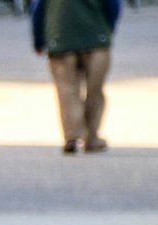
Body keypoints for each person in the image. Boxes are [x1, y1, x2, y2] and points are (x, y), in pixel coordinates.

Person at [32, 0, 121, 154]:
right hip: (96, 37)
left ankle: (72, 137)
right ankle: (92, 137)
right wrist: (108, 28)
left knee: (67, 90)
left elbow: (38, 7)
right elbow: (113, 4)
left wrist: (39, 38)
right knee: (95, 90)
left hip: (60, 36)